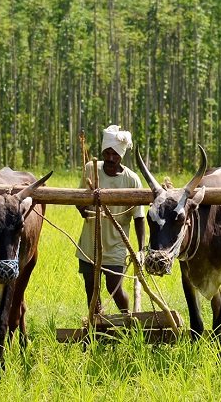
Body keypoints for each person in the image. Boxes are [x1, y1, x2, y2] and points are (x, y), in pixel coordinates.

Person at [76, 125, 146, 314]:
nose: (110, 159)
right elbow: (78, 199)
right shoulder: (91, 169)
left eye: (115, 155)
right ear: (103, 152)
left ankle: (127, 318)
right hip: (90, 241)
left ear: (121, 156)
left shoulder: (132, 180)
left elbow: (139, 217)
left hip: (116, 243)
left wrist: (141, 249)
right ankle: (96, 323)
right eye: (107, 153)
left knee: (114, 287)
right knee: (91, 287)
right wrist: (82, 208)